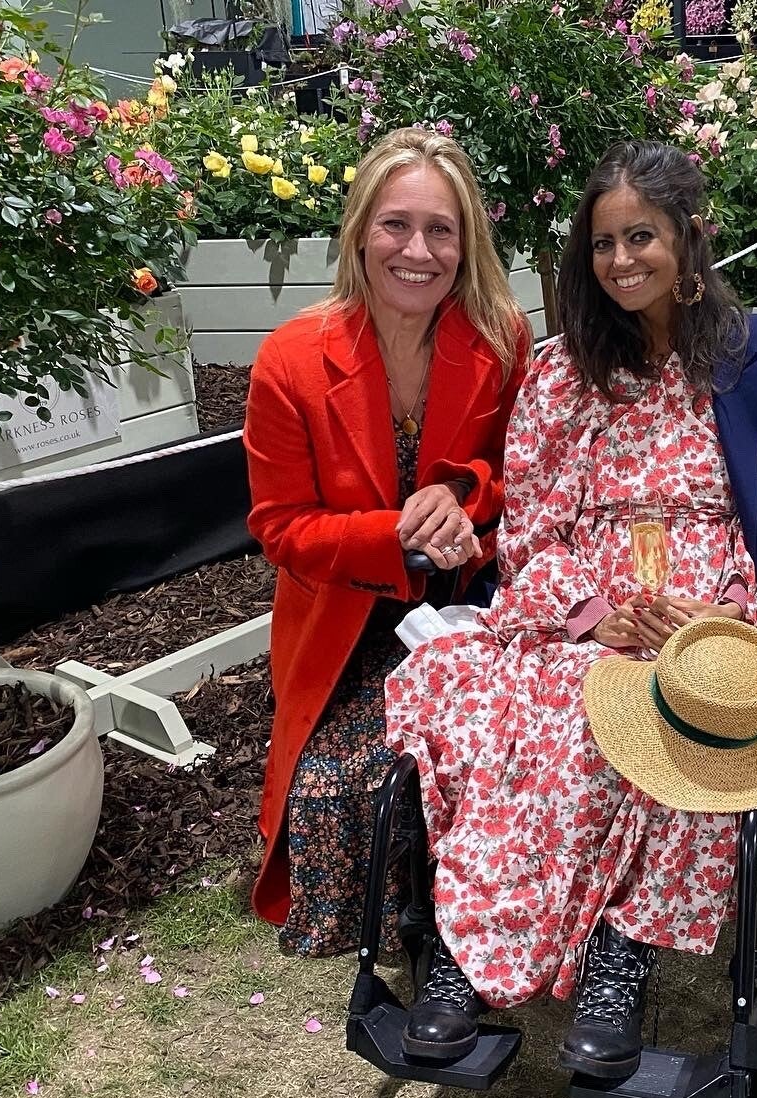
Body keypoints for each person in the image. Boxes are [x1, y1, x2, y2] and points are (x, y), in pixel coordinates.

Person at [383, 140, 757, 1078]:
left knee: (690, 725)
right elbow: (531, 527)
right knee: (532, 713)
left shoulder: (750, 356)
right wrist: (593, 614)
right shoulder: (562, 372)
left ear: (690, 238)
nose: (620, 262)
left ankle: (620, 957)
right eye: (603, 244)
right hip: (582, 601)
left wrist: (720, 615)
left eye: (641, 237)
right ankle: (461, 957)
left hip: (708, 614)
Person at [242, 127, 530, 956]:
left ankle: (465, 905)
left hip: (470, 607)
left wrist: (466, 495)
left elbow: (529, 474)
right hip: (347, 626)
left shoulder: (499, 337)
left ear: (466, 242)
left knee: (453, 756)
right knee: (337, 788)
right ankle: (415, 909)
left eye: (442, 229)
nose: (419, 250)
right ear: (360, 233)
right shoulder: (292, 359)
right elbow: (280, 528)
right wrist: (396, 534)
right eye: (396, 225)